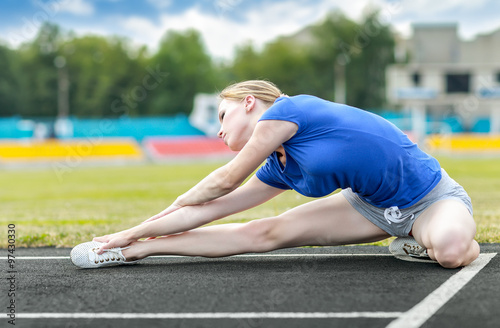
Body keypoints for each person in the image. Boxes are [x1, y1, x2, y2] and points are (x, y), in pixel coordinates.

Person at [70, 80, 480, 269]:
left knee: (450, 252)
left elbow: (225, 182)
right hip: (369, 207)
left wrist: (151, 218)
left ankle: (419, 241)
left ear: (250, 103)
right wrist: (136, 238)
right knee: (264, 232)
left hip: (432, 199)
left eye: (222, 115)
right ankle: (139, 253)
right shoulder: (278, 165)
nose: (218, 129)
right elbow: (212, 208)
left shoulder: (288, 110)